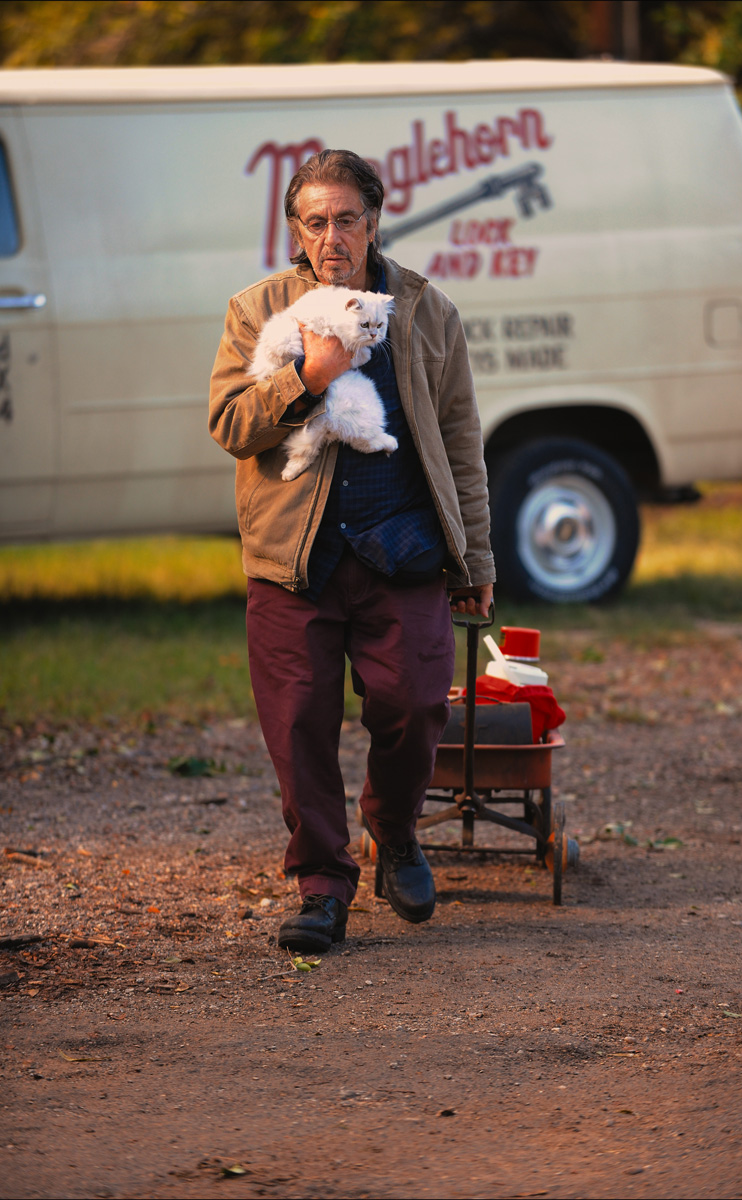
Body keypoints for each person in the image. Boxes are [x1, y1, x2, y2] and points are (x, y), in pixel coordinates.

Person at [209, 149, 494, 953]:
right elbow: (231, 425)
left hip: (402, 549)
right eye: (315, 221)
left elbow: (463, 442)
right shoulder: (256, 309)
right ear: (295, 229)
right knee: (298, 724)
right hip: (293, 561)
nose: (331, 236)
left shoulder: (428, 310)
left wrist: (476, 564)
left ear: (374, 219)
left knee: (414, 704)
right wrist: (306, 374)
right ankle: (322, 885)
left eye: (346, 218)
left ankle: (395, 833)